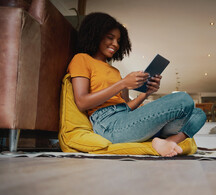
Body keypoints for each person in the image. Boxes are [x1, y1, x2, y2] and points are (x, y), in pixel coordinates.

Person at [67, 12, 206, 157]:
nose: (115, 44)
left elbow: (127, 106)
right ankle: (164, 141)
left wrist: (146, 93)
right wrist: (123, 83)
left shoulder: (115, 71)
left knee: (197, 114)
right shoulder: (81, 59)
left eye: (118, 41)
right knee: (182, 100)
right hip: (108, 125)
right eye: (110, 38)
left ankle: (169, 141)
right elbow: (82, 102)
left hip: (127, 119)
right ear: (95, 34)